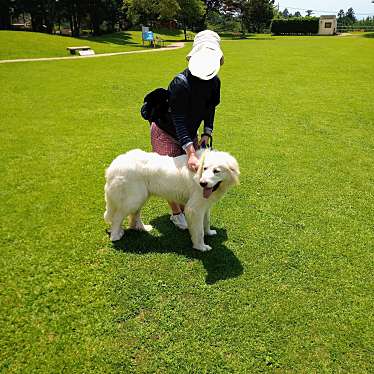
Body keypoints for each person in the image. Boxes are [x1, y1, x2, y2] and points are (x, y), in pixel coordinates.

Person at [150, 30, 223, 229]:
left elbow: (210, 108)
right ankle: (176, 213)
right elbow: (178, 119)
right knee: (170, 175)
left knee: (187, 175)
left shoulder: (214, 82)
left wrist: (207, 132)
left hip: (187, 131)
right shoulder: (179, 83)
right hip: (165, 131)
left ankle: (184, 208)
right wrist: (190, 151)